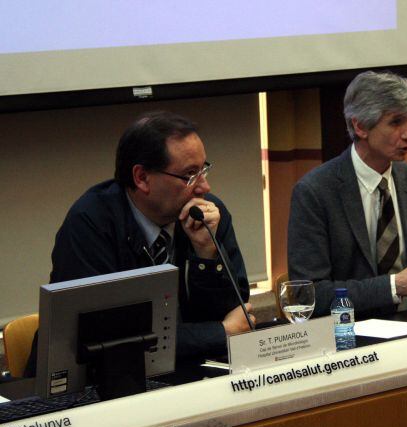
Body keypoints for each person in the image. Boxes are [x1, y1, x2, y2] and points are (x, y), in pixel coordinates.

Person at [27, 111, 254, 376]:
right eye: (190, 175)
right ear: (142, 178)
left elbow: (239, 316)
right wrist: (219, 332)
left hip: (187, 373)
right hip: (91, 385)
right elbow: (110, 339)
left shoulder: (207, 216)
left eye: (203, 169)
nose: (204, 187)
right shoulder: (90, 223)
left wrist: (207, 255)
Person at [288, 71, 407, 318]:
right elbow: (310, 294)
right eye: (395, 123)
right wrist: (394, 287)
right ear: (360, 126)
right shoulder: (315, 192)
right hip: (353, 332)